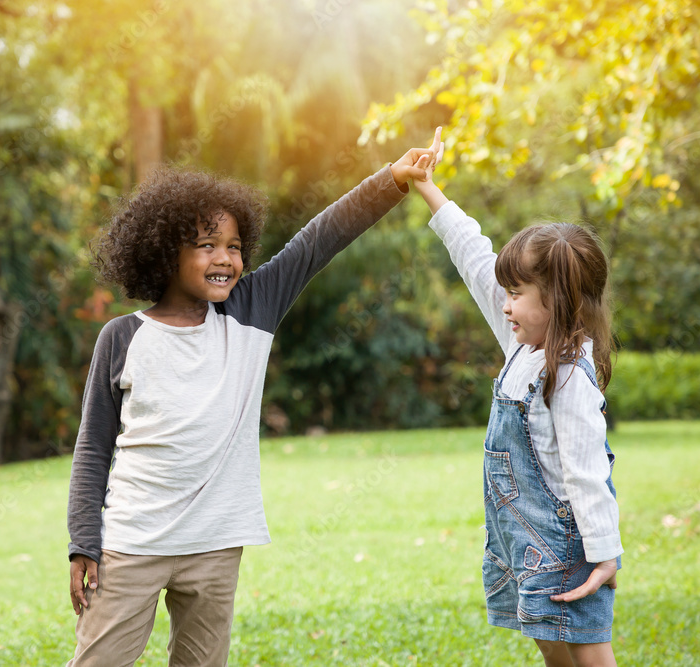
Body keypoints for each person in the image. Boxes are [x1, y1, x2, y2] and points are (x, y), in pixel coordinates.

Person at [65, 145, 440, 667]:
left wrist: (393, 179)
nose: (224, 258)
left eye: (234, 246)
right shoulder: (122, 336)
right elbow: (92, 450)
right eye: (206, 245)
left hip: (216, 545)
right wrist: (83, 542)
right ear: (164, 253)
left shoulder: (251, 310)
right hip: (132, 544)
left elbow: (320, 238)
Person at [413, 128, 623, 667]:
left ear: (557, 299)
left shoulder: (569, 374)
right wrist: (429, 189)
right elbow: (473, 257)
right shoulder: (522, 342)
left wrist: (604, 554)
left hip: (566, 541)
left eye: (516, 293)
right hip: (520, 538)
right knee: (550, 642)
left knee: (587, 650)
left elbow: (587, 471)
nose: (504, 304)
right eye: (505, 293)